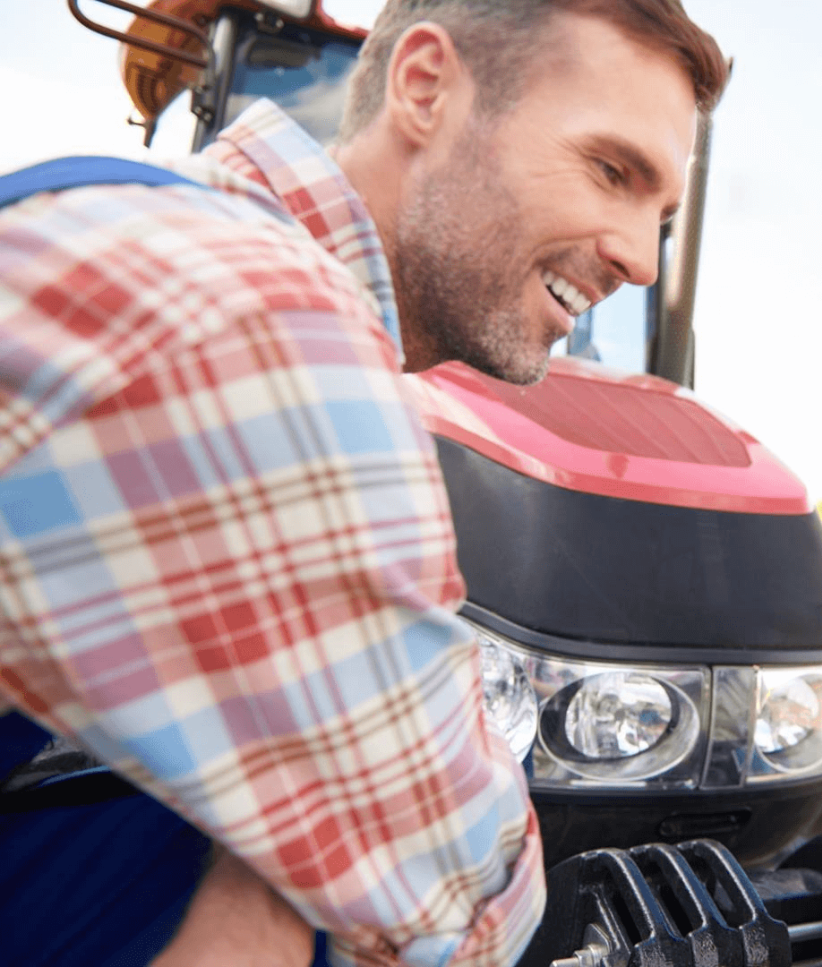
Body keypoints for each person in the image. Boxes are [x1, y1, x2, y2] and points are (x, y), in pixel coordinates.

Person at [0, 1, 726, 965]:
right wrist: (284, 881)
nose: (639, 255)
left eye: (661, 215)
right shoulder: (264, 316)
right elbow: (466, 908)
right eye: (609, 170)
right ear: (424, 87)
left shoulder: (156, 222)